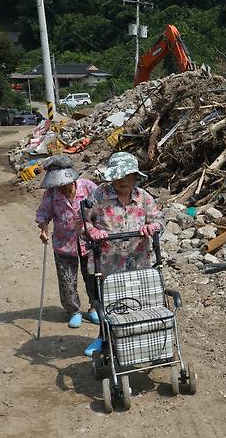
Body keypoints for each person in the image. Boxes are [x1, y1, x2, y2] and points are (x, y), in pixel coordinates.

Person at [81, 151, 164, 356]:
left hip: (138, 261)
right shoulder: (98, 195)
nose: (123, 180)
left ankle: (139, 341)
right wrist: (93, 232)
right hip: (107, 263)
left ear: (135, 176)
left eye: (127, 175)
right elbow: (81, 222)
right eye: (118, 176)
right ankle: (104, 339)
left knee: (138, 303)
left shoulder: (144, 198)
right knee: (109, 306)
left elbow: (159, 219)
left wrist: (151, 227)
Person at [35, 156, 98, 328]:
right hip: (64, 243)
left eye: (64, 183)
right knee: (67, 280)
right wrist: (43, 229)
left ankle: (94, 307)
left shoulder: (88, 187)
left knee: (93, 276)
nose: (61, 186)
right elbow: (43, 214)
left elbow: (102, 206)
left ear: (71, 177)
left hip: (89, 242)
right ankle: (74, 311)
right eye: (57, 183)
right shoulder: (51, 193)